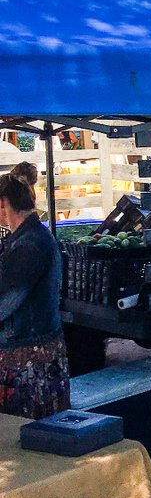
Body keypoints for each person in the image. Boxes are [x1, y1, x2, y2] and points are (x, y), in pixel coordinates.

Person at [0, 162, 69, 419]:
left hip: (29, 356)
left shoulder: (30, 245)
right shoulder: (25, 239)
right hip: (31, 348)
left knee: (30, 435)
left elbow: (5, 301)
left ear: (4, 203)